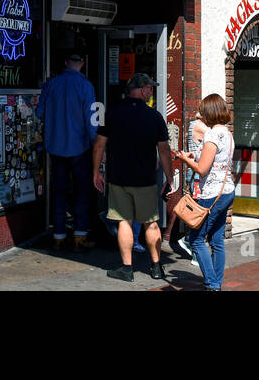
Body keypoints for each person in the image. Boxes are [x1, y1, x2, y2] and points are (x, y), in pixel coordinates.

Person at [92, 73, 174, 281]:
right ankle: (156, 267)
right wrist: (170, 178)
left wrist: (96, 172)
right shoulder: (154, 117)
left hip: (119, 179)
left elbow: (99, 144)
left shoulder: (112, 113)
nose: (151, 92)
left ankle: (127, 269)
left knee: (124, 222)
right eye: (149, 89)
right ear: (142, 90)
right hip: (145, 179)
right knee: (151, 223)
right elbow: (164, 151)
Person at [174, 94, 235, 291]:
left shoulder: (210, 134)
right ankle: (216, 282)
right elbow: (216, 158)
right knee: (217, 240)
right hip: (226, 191)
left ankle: (212, 283)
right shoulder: (226, 133)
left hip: (212, 193)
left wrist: (185, 159)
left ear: (209, 112)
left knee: (196, 239)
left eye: (203, 110)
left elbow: (201, 169)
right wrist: (195, 154)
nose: (200, 114)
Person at [36, 53, 97, 251]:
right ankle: (79, 236)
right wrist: (98, 146)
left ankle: (58, 236)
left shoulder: (51, 84)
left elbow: (39, 113)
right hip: (79, 147)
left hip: (55, 147)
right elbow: (92, 121)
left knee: (59, 191)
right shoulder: (86, 86)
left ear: (65, 62)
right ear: (83, 63)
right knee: (81, 191)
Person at [169, 109, 206, 263]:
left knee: (200, 214)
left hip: (198, 173)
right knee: (198, 215)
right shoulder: (199, 126)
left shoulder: (197, 125)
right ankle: (193, 249)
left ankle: (192, 244)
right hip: (198, 174)